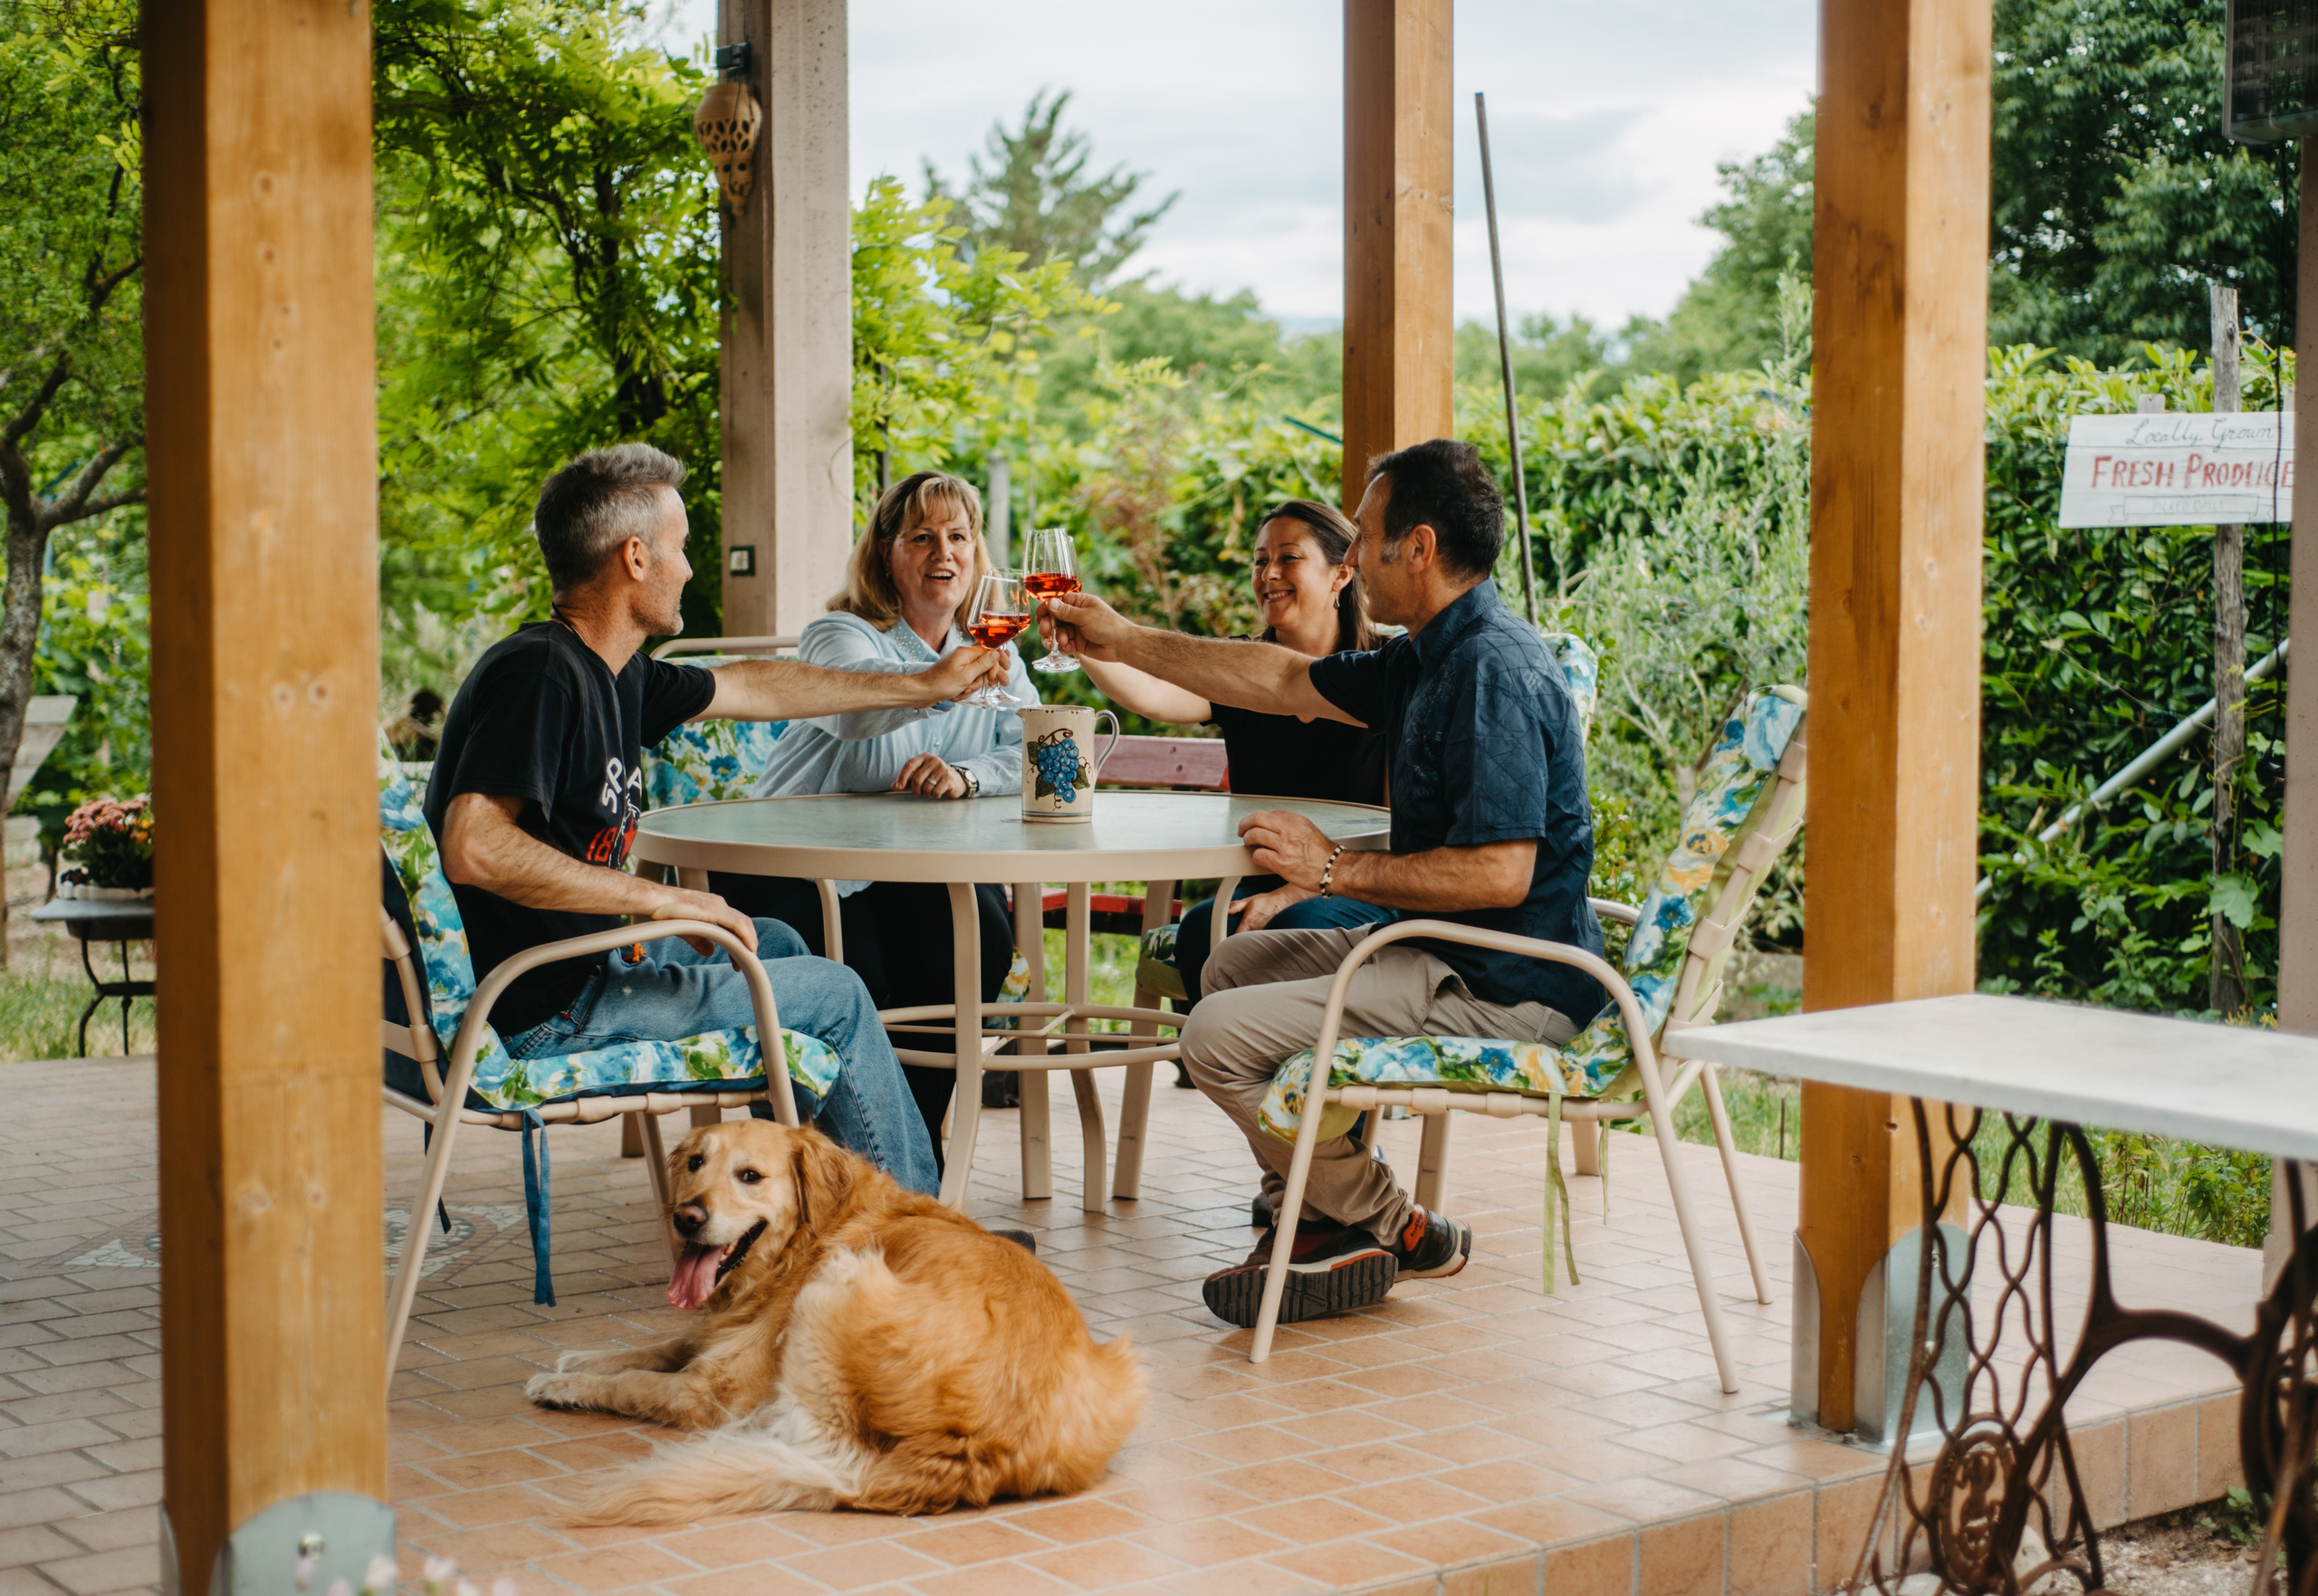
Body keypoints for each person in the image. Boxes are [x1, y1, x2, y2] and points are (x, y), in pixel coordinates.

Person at [1043, 438, 1604, 1327]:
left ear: (1417, 548)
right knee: (1226, 968)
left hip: (1501, 979)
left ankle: (1387, 1222)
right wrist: (1124, 637)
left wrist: (1331, 867)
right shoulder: (1428, 655)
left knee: (1215, 1038)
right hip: (1442, 949)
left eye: (1366, 538)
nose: (1352, 560)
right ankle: (1318, 1218)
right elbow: (1281, 676)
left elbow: (1504, 870)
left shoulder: (1491, 670)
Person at [426, 444, 1010, 1197]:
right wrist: (660, 898)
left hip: (587, 966)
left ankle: (811, 1202)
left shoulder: (616, 670)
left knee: (778, 943)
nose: (691, 568)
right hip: (551, 1007)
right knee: (837, 991)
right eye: (680, 547)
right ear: (635, 557)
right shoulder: (539, 674)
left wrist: (919, 684)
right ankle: (912, 1225)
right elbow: (473, 843)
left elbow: (756, 686)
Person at [717, 471, 1035, 1158]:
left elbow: (1038, 754)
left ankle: (909, 1165)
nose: (942, 553)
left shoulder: (999, 652)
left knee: (975, 935)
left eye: (959, 536)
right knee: (860, 974)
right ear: (885, 553)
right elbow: (860, 713)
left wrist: (968, 774)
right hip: (795, 871)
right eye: (920, 537)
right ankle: (819, 1166)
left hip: (906, 870)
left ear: (978, 552)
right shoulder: (839, 635)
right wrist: (939, 685)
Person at [1076, 499, 1393, 1005]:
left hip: (1358, 883)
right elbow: (1154, 694)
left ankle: (1306, 1076)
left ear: (1342, 574)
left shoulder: (1382, 672)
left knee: (1293, 924)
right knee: (1206, 925)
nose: (1269, 573)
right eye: (1259, 559)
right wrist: (1083, 647)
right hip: (1257, 881)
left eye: (1289, 558)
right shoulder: (1242, 670)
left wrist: (1300, 890)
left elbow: (1398, 828)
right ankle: (1236, 1076)